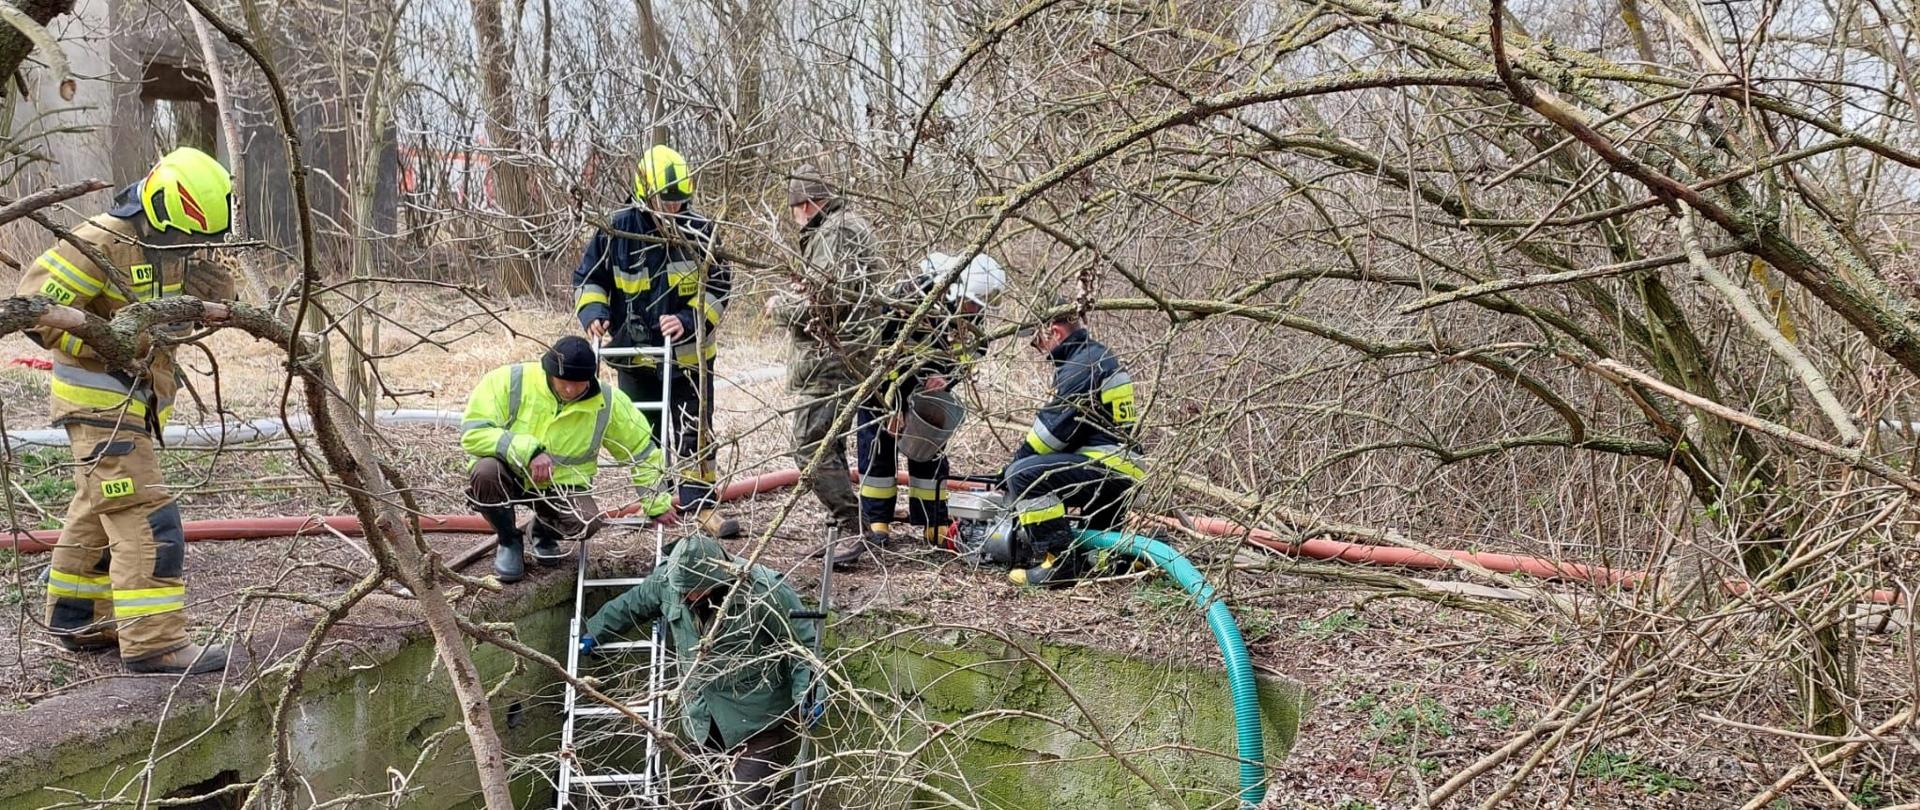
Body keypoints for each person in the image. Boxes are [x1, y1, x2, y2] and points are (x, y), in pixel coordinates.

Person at [17, 146, 239, 674]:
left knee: (98, 510)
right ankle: (155, 642)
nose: (188, 248)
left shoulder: (171, 242)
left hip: (135, 403)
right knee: (147, 517)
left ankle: (79, 619)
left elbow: (164, 320)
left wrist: (207, 301)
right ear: (158, 209)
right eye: (184, 238)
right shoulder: (99, 242)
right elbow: (31, 308)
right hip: (98, 403)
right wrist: (110, 342)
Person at [578, 534, 818, 809]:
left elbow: (802, 646)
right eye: (681, 589)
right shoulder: (668, 581)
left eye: (693, 589)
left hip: (755, 719)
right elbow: (633, 604)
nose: (686, 596)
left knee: (742, 802)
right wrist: (596, 631)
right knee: (699, 802)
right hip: (701, 717)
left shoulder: (763, 590)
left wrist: (809, 694)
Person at [572, 145, 733, 536]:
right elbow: (589, 279)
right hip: (634, 355)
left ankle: (702, 506)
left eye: (681, 201)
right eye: (667, 201)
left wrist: (686, 321)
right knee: (642, 433)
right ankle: (658, 503)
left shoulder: (701, 232)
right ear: (645, 192)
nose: (674, 209)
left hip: (688, 357)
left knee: (694, 430)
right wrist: (594, 314)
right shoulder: (616, 230)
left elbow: (719, 288)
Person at [460, 336, 674, 582]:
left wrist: (656, 503)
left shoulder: (608, 402)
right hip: (510, 472)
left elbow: (642, 452)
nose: (570, 390)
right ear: (548, 372)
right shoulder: (509, 381)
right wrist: (528, 451)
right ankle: (509, 541)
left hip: (560, 487)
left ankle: (542, 530)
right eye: (564, 382)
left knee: (587, 523)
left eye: (578, 383)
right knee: (485, 471)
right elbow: (473, 433)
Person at [845, 251, 1007, 567]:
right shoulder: (908, 300)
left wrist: (947, 377)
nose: (976, 310)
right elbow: (878, 353)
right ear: (954, 288)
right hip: (882, 388)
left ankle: (934, 522)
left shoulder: (969, 307)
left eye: (979, 304)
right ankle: (877, 522)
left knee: (930, 454)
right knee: (878, 451)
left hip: (926, 393)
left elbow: (974, 348)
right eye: (973, 302)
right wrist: (892, 404)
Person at [768, 166, 893, 562]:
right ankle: (853, 527)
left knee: (810, 446)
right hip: (847, 355)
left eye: (793, 211)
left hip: (831, 360)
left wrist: (781, 307)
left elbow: (827, 303)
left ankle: (851, 527)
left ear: (805, 205)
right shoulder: (845, 228)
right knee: (827, 443)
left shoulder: (834, 233)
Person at [1002, 305, 1145, 587]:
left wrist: (1010, 470)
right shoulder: (1097, 356)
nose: (1040, 350)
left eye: (1038, 342)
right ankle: (1104, 557)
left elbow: (1051, 433)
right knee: (1097, 548)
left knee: (1023, 475)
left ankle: (1058, 563)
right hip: (1122, 468)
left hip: (1108, 469)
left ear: (1054, 331)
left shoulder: (1083, 365)